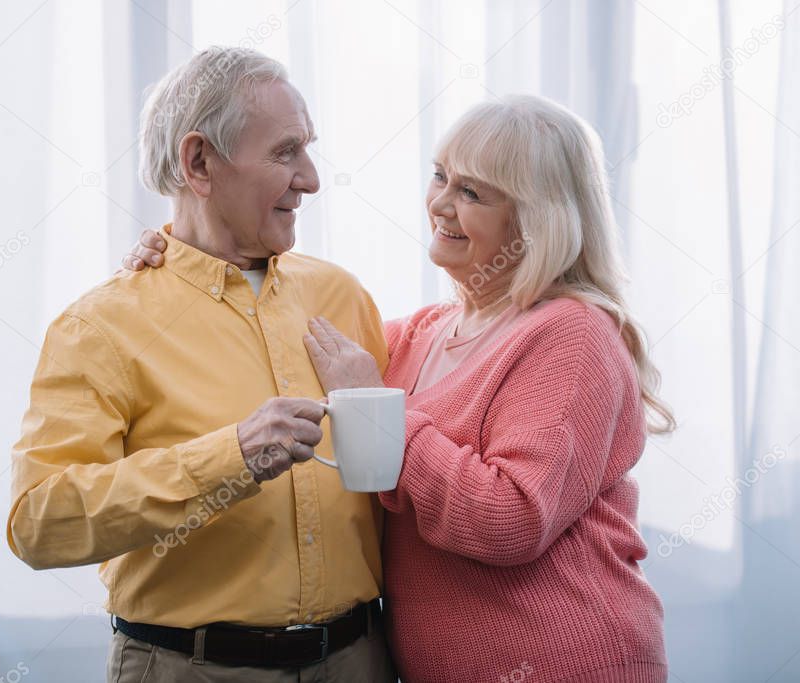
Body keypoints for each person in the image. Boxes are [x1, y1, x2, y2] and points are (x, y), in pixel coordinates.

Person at [132, 97, 673, 681]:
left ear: (535, 220)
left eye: (473, 193)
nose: (440, 204)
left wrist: (378, 413)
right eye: (441, 176)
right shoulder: (419, 334)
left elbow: (511, 520)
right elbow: (268, 350)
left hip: (564, 663)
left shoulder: (572, 334)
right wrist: (178, 260)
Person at [9, 47, 396, 682]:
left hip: (360, 661)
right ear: (199, 163)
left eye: (308, 148)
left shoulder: (343, 297)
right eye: (284, 152)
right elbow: (39, 523)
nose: (312, 178)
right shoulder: (101, 325)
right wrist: (230, 457)